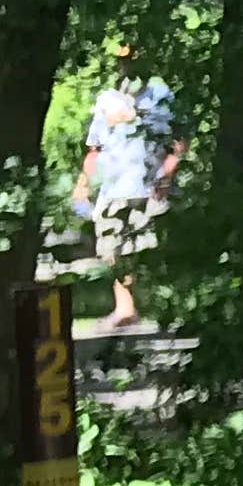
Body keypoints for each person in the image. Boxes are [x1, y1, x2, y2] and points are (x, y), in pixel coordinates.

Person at [71, 42, 183, 327]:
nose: (127, 66)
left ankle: (149, 310)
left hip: (148, 187)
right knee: (111, 251)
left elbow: (179, 142)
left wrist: (166, 175)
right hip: (112, 190)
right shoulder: (106, 99)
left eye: (132, 60)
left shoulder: (161, 96)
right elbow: (94, 148)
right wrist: (83, 182)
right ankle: (126, 309)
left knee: (146, 250)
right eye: (122, 61)